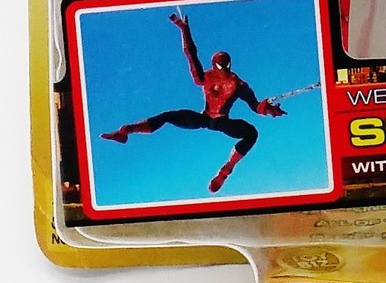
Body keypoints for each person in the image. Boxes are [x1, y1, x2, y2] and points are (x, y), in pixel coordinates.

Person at [101, 12, 286, 192]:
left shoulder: (235, 83)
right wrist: (184, 30)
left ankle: (226, 170)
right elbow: (191, 55)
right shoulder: (216, 79)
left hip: (216, 120)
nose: (223, 69)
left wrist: (267, 109)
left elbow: (255, 105)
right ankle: (125, 130)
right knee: (168, 116)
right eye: (221, 66)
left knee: (251, 133)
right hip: (208, 119)